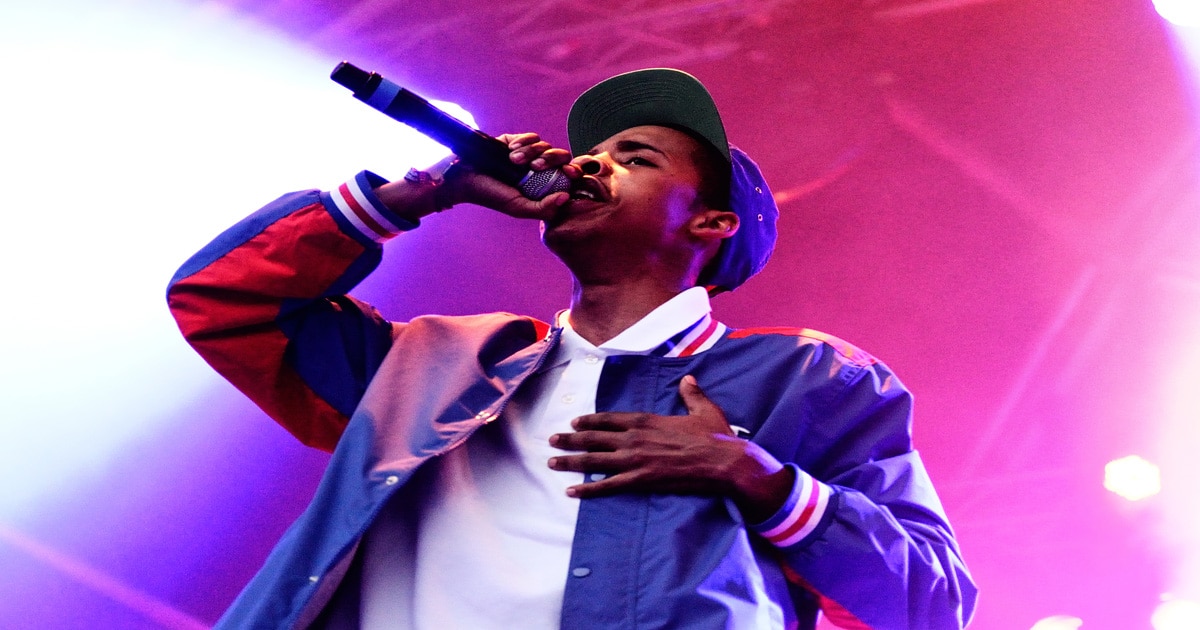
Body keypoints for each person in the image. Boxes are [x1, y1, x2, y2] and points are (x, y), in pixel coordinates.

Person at [168, 68, 977, 629]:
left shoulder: (805, 380)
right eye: (595, 150)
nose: (591, 162)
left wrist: (756, 478)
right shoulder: (436, 362)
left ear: (710, 223)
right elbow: (226, 298)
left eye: (637, 158)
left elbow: (931, 606)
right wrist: (421, 193)